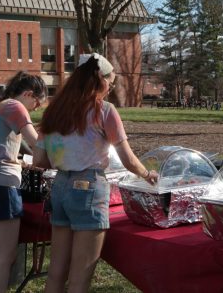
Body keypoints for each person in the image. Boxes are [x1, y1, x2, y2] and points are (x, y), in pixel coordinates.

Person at [33, 53, 158, 293]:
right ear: (100, 79)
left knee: (56, 272)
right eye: (110, 82)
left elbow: (39, 160)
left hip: (59, 187)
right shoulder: (105, 110)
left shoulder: (53, 112)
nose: (110, 88)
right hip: (89, 187)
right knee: (80, 278)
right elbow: (128, 160)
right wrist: (147, 174)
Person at [0, 71, 48, 293]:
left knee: (4, 253)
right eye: (37, 103)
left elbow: (3, 148)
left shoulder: (0, 107)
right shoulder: (15, 107)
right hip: (2, 184)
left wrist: (20, 162)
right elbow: (36, 141)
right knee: (7, 254)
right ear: (28, 94)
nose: (35, 109)